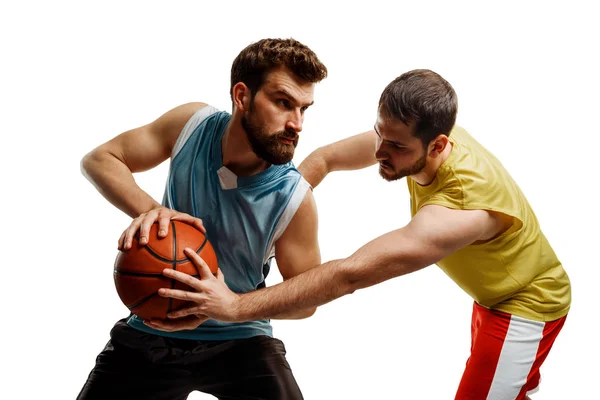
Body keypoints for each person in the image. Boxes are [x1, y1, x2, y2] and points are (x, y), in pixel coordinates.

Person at [156, 69, 571, 399]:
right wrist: (273, 210)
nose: (379, 153)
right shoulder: (418, 130)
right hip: (492, 292)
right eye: (380, 134)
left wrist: (233, 306)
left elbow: (348, 274)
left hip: (524, 305)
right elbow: (325, 158)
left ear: (438, 145)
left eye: (395, 147)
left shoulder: (461, 212)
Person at [77, 38, 327, 400]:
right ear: (242, 96)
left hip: (241, 339)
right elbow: (99, 159)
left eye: (305, 109)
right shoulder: (191, 126)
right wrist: (154, 212)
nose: (297, 124)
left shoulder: (294, 199)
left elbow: (307, 301)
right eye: (283, 103)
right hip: (153, 326)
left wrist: (230, 307)